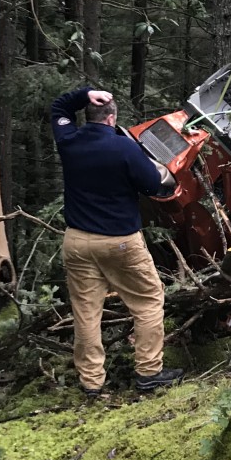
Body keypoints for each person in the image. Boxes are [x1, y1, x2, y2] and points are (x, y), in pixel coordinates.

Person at [50, 85, 185, 399]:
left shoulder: (69, 140)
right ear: (112, 119)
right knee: (149, 300)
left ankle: (91, 382)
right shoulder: (125, 148)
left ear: (90, 114)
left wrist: (85, 94)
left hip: (77, 241)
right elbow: (155, 186)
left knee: (86, 312)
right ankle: (149, 372)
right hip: (120, 242)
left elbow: (59, 108)